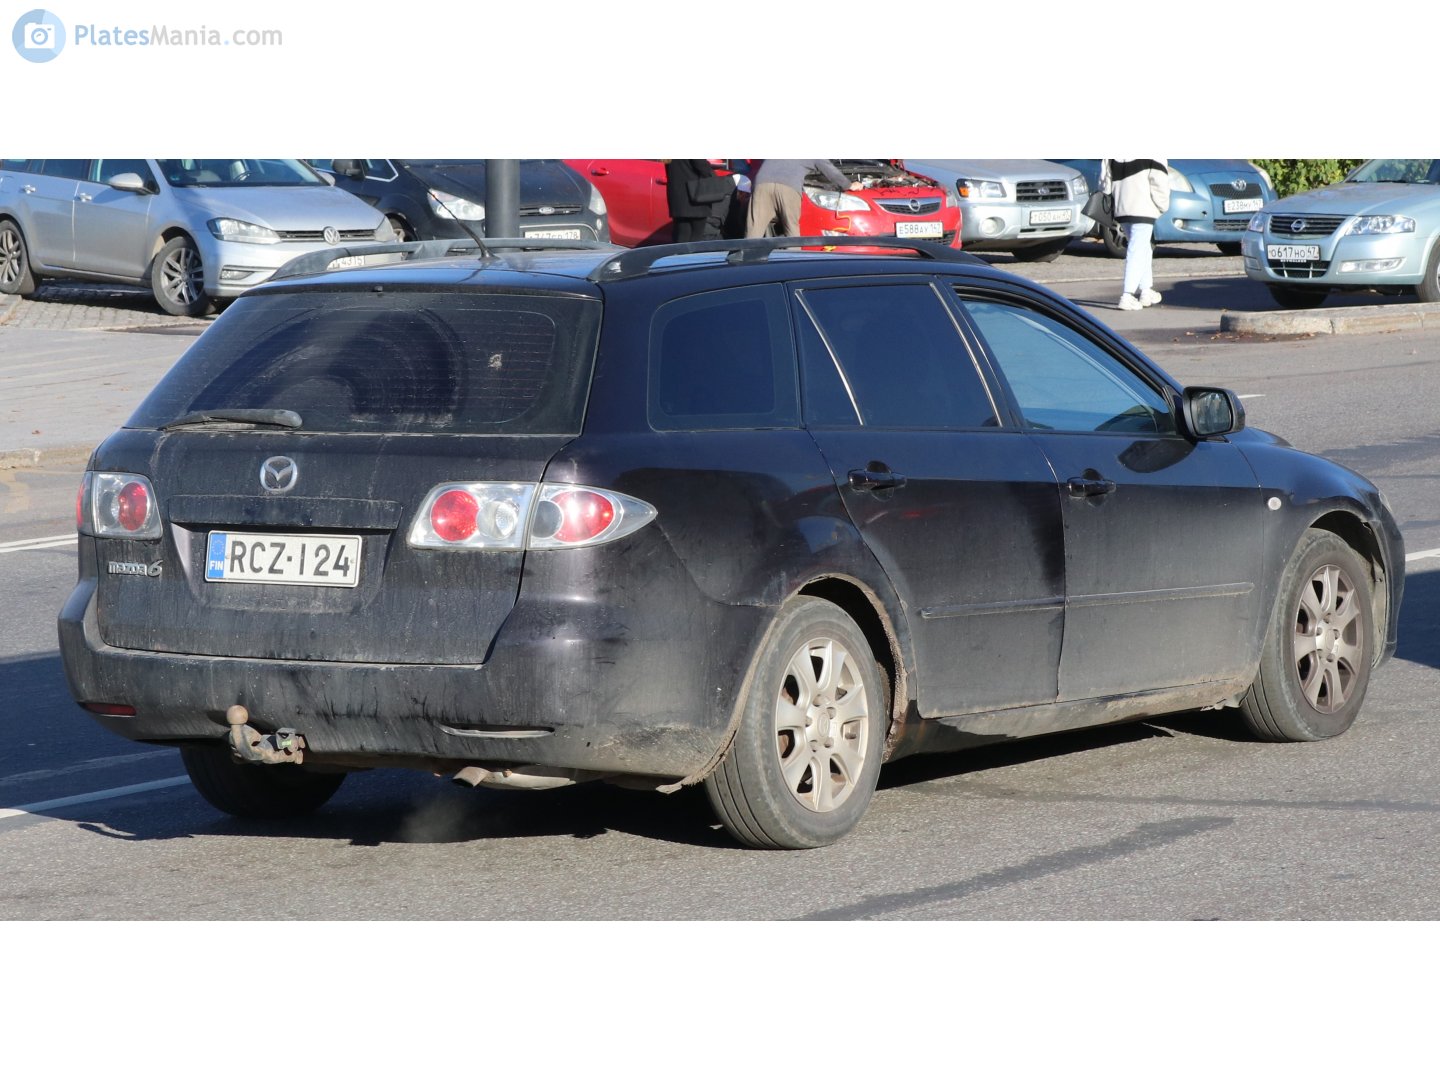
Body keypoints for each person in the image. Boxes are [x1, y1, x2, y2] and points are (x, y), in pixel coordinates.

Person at [1102, 158, 1170, 310]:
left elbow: (1104, 182)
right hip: (1144, 208)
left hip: (1121, 208)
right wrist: (1162, 206)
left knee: (1143, 247)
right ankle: (1127, 295)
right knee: (1137, 249)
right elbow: (1159, 182)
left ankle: (1146, 290)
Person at [745, 159, 861, 238]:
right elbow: (831, 172)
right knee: (791, 233)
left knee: (753, 233)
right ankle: (793, 268)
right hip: (789, 187)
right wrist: (849, 185)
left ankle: (745, 267)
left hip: (762, 184)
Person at [664, 160, 733, 242]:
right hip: (695, 196)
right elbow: (702, 166)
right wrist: (713, 175)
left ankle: (679, 254)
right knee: (696, 237)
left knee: (681, 234)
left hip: (678, 195)